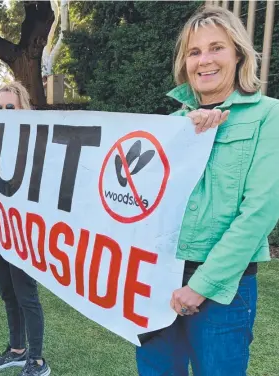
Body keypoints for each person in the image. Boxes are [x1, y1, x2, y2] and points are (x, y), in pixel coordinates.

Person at [136, 6, 279, 376]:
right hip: (156, 280)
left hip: (223, 291)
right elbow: (139, 201)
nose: (205, 60)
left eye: (216, 48)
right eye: (194, 52)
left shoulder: (269, 115)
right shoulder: (169, 126)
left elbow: (260, 212)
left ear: (238, 54)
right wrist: (186, 134)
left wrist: (202, 285)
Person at [0, 81, 50, 376]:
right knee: (8, 293)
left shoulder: (38, 142)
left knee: (26, 294)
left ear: (23, 108)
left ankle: (36, 360)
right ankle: (17, 350)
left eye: (10, 107)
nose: (4, 112)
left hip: (23, 232)